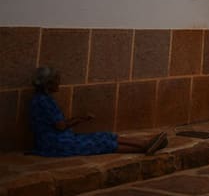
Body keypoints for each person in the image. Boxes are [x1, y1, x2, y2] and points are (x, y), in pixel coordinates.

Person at [29, 66, 168, 157]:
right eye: (56, 81)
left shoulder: (42, 99)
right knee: (100, 143)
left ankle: (145, 144)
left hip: (61, 139)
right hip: (55, 144)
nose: (59, 84)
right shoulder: (43, 101)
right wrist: (80, 119)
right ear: (48, 84)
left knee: (103, 136)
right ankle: (145, 146)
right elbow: (60, 126)